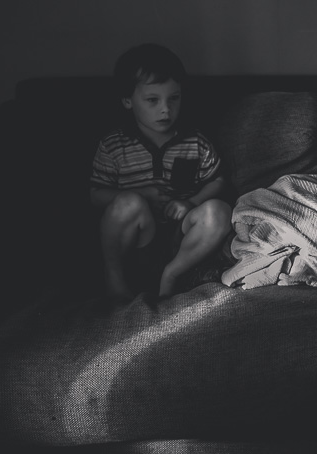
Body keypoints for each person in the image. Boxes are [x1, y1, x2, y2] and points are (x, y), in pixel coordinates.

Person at [90, 43, 233, 299]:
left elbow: (218, 181)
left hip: (182, 240)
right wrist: (140, 193)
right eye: (153, 100)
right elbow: (95, 195)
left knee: (219, 211)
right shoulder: (114, 145)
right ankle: (114, 280)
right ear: (127, 101)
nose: (166, 109)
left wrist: (191, 202)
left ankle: (172, 275)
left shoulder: (195, 142)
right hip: (137, 241)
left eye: (174, 98)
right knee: (127, 203)